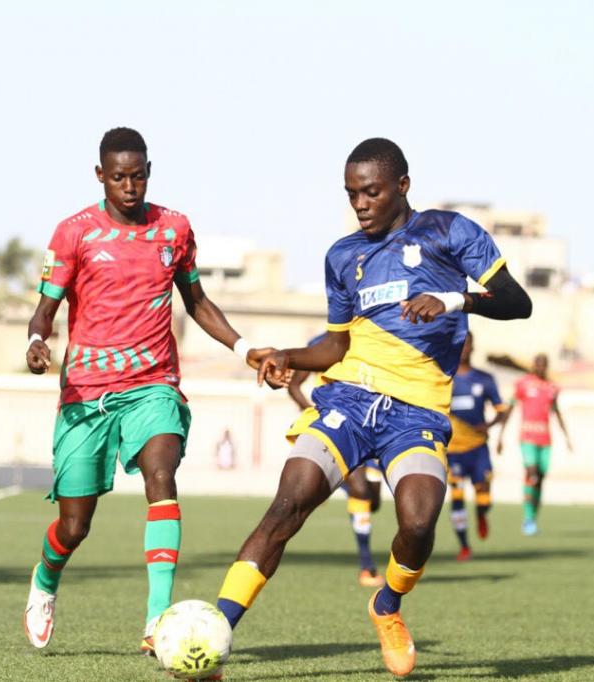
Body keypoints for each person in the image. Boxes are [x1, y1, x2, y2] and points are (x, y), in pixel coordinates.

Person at [214, 138, 532, 678]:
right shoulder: (343, 256)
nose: (360, 203)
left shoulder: (448, 232)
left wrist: (454, 299)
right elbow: (335, 346)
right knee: (287, 505)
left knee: (418, 522)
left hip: (419, 409)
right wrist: (289, 356)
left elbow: (517, 302)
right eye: (351, 193)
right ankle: (215, 633)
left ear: (402, 186)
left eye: (371, 192)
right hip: (348, 397)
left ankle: (386, 605)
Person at [22, 127, 269, 654]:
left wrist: (245, 348)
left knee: (162, 472)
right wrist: (38, 342)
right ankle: (45, 579)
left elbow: (198, 302)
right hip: (87, 394)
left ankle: (158, 618)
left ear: (149, 172)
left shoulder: (174, 229)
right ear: (100, 177)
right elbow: (44, 310)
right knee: (74, 525)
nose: (128, 187)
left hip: (153, 384)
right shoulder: (73, 233)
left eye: (137, 176)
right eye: (118, 178)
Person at [288, 333, 385, 587]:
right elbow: (294, 385)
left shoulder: (375, 336)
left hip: (372, 425)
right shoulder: (321, 343)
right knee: (362, 492)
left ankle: (330, 482)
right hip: (337, 425)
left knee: (373, 501)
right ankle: (367, 566)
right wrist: (315, 412)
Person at [446, 331, 507, 559]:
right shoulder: (444, 378)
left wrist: (489, 426)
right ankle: (464, 546)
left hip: (478, 448)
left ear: (473, 348)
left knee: (483, 493)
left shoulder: (484, 379)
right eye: (459, 344)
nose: (463, 348)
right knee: (457, 495)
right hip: (453, 450)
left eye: (467, 344)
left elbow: (502, 411)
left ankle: (482, 514)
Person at [497, 353, 572, 536]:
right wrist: (500, 435)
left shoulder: (551, 387)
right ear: (533, 365)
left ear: (546, 366)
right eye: (537, 364)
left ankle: (533, 517)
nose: (540, 368)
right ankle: (528, 519)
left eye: (543, 365)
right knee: (531, 473)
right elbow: (510, 409)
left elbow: (557, 411)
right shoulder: (523, 384)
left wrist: (567, 437)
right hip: (527, 437)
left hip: (545, 440)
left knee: (540, 479)